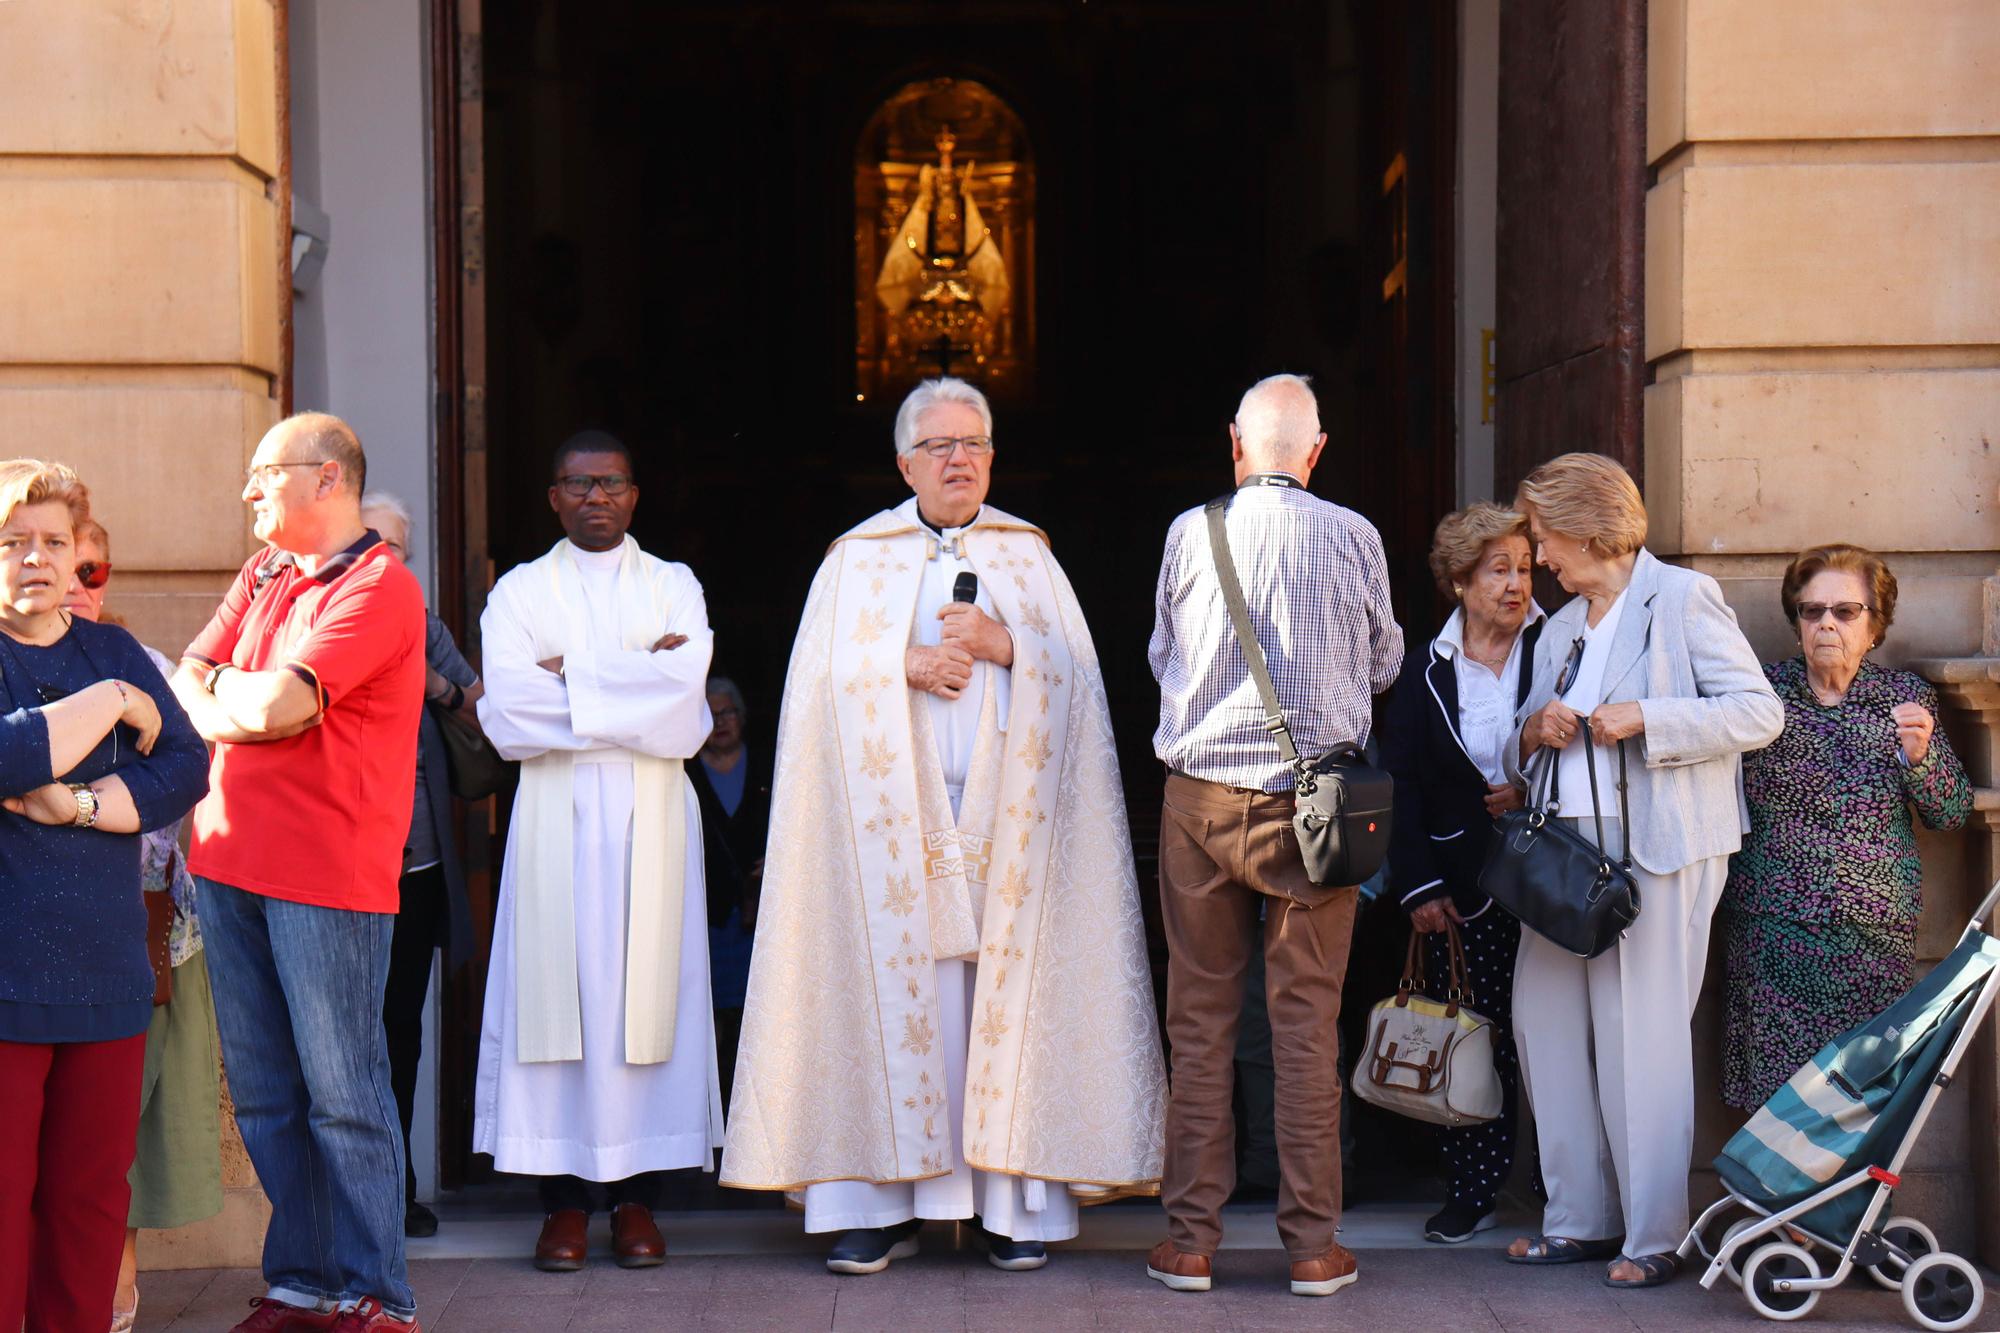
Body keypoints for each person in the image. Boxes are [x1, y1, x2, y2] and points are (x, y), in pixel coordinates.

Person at [723, 376, 1165, 1276]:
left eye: (973, 444)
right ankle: (877, 1207)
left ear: (993, 457)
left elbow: (1084, 693)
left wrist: (1012, 646)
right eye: (939, 446)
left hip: (1009, 829)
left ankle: (1009, 1205)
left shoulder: (1029, 558)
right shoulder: (855, 559)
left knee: (998, 1007)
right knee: (894, 1001)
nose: (958, 459)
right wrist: (901, 662)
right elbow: (811, 693)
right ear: (904, 462)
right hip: (895, 837)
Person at [1144, 373, 1402, 1298]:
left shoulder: (1189, 531)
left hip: (1202, 801)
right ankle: (1312, 1248)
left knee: (1201, 1020)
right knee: (1304, 1025)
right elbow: (1383, 662)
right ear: (1316, 451)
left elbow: (1163, 658)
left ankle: (1189, 1243)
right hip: (1315, 809)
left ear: (1237, 445)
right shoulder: (1356, 535)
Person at [171, 413, 429, 1332]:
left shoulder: (383, 587)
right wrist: (232, 699)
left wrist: (229, 697)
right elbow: (187, 678)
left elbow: (280, 702)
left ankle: (378, 1296)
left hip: (328, 872)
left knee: (344, 1091)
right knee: (271, 1088)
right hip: (227, 856)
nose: (248, 490)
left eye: (263, 472)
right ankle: (305, 1282)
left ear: (327, 479)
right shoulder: (264, 572)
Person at [1500, 452, 1781, 1289]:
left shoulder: (1683, 597)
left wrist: (1647, 717)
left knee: (1641, 1033)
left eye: (1547, 538)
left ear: (1590, 527)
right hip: (1559, 856)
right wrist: (1534, 726)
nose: (1540, 557)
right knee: (1540, 1022)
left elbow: (1756, 711)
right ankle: (1576, 1218)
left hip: (1657, 847)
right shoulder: (1559, 626)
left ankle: (1654, 1234)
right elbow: (1523, 734)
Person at [474, 430, 720, 1272]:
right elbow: (507, 714)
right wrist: (629, 674)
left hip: (654, 811)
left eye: (610, 482)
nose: (595, 497)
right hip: (555, 814)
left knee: (644, 1004)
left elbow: (683, 702)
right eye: (578, 484)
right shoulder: (519, 592)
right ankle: (565, 1205)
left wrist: (568, 677)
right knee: (564, 997)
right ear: (554, 496)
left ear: (633, 493)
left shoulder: (673, 586)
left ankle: (639, 1198)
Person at [0, 461, 208, 1333]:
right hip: (4, 983)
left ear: (80, 553)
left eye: (53, 541)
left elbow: (187, 765)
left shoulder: (113, 645)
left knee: (89, 1206)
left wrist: (83, 804)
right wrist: (110, 704)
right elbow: (5, 756)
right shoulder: (113, 673)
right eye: (13, 542)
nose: (34, 559)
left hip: (108, 973)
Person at [1721, 544, 1970, 1110]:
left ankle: (1853, 1202)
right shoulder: (1761, 694)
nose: (1826, 623)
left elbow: (1950, 812)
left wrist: (1921, 758)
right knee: (1778, 1104)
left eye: (1845, 611)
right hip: (1773, 931)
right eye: (1812, 611)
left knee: (1860, 1101)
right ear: (1797, 622)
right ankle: (1781, 1204)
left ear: (1874, 626)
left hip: (1871, 939)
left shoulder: (1904, 698)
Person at [65, 519, 225, 1333]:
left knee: (120, 1118)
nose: (73, 581)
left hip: (144, 923)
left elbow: (190, 778)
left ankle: (114, 1291)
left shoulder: (143, 665)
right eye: (51, 556)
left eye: (89, 566)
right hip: (30, 923)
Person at [1378, 503, 1544, 1245]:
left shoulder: (1562, 645)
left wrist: (1532, 787)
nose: (1516, 584)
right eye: (1497, 570)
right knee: (1474, 1040)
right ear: (1458, 581)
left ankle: (1566, 1192)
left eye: (1524, 567)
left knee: (1558, 1037)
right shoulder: (1423, 668)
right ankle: (1472, 1188)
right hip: (1463, 884)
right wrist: (1418, 884)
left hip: (1554, 881)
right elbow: (1402, 782)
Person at [359, 492, 485, 1240]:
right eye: (372, 541)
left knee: (398, 1027)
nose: (385, 557)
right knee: (349, 1034)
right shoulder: (321, 612)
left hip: (416, 864)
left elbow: (477, 705)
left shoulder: (423, 622)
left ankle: (396, 1187)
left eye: (398, 547)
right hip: (342, 864)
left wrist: (437, 683)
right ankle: (356, 1195)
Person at [688, 676, 770, 1110]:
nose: (721, 723)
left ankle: (748, 1116)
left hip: (758, 922)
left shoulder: (767, 766)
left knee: (753, 1026)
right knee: (706, 1026)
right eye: (711, 714)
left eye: (728, 713)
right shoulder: (682, 772)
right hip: (705, 920)